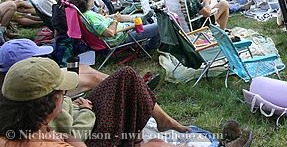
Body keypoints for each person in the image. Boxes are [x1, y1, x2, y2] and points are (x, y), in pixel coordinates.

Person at [0, 57, 190, 147]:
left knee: (126, 76)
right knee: (157, 144)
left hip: (79, 113)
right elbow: (76, 135)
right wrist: (84, 113)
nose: (65, 93)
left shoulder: (23, 125)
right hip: (89, 129)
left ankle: (154, 126)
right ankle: (145, 133)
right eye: (61, 92)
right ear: (49, 104)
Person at [70, 0, 159, 49]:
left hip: (122, 29)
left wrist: (111, 17)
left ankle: (142, 19)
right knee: (159, 27)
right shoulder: (90, 17)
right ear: (87, 0)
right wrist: (115, 21)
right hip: (121, 36)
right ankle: (150, 46)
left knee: (135, 18)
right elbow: (110, 33)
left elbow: (101, 24)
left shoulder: (87, 13)